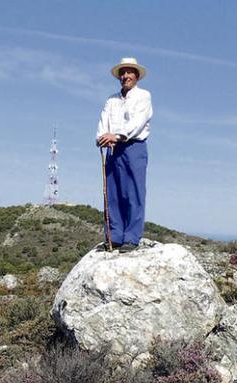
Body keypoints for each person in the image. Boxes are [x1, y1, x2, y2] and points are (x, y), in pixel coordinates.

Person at [96, 57, 153, 253]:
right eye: (123, 72)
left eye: (130, 72)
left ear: (137, 76)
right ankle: (114, 236)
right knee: (113, 193)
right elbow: (103, 121)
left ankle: (131, 237)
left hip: (133, 146)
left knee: (133, 193)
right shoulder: (111, 100)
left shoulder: (143, 96)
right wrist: (102, 137)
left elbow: (137, 122)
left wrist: (118, 135)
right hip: (112, 147)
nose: (126, 76)